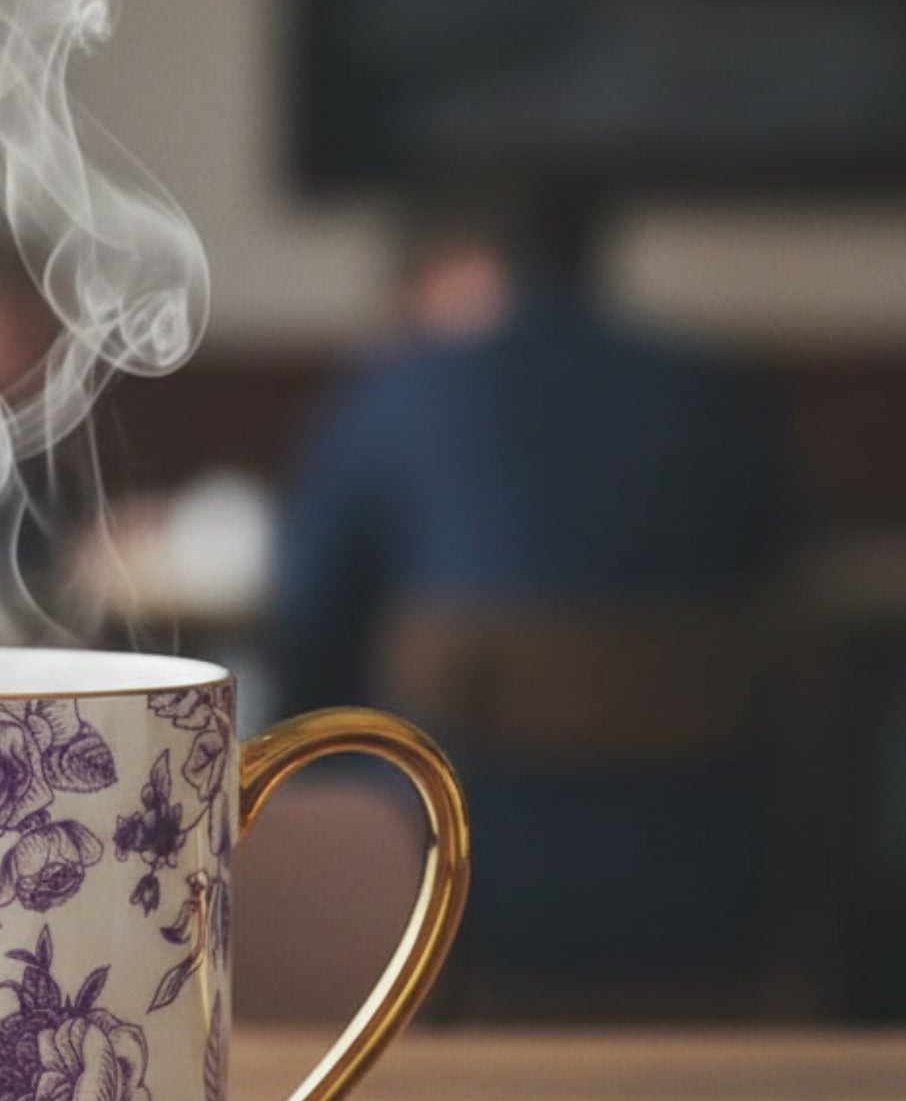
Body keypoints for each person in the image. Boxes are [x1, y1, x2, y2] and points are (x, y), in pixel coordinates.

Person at [274, 180, 790, 1016]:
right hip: (703, 849)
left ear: (467, 265)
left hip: (457, 853)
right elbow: (777, 574)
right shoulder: (711, 389)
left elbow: (308, 619)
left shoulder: (397, 391)